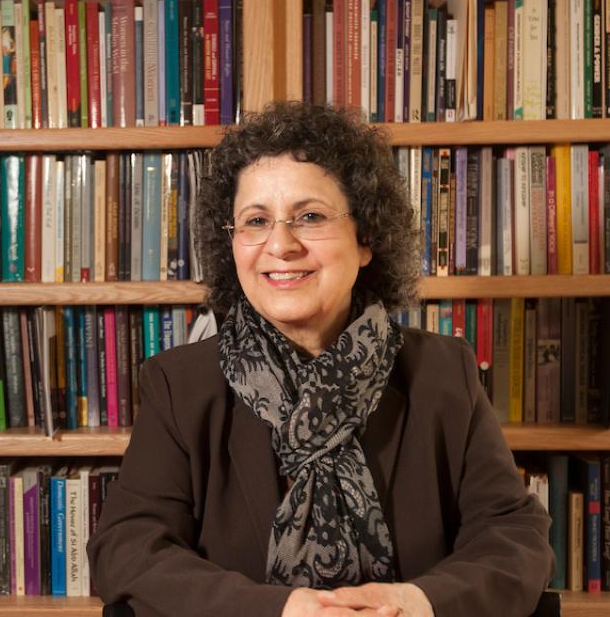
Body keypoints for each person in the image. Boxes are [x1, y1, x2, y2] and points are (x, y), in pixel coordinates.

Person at [87, 102, 554, 617]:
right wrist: (280, 611)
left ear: (366, 239)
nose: (281, 245)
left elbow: (515, 536)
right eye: (256, 221)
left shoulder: (445, 373)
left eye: (310, 217)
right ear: (232, 246)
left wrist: (419, 602)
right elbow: (127, 548)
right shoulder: (179, 385)